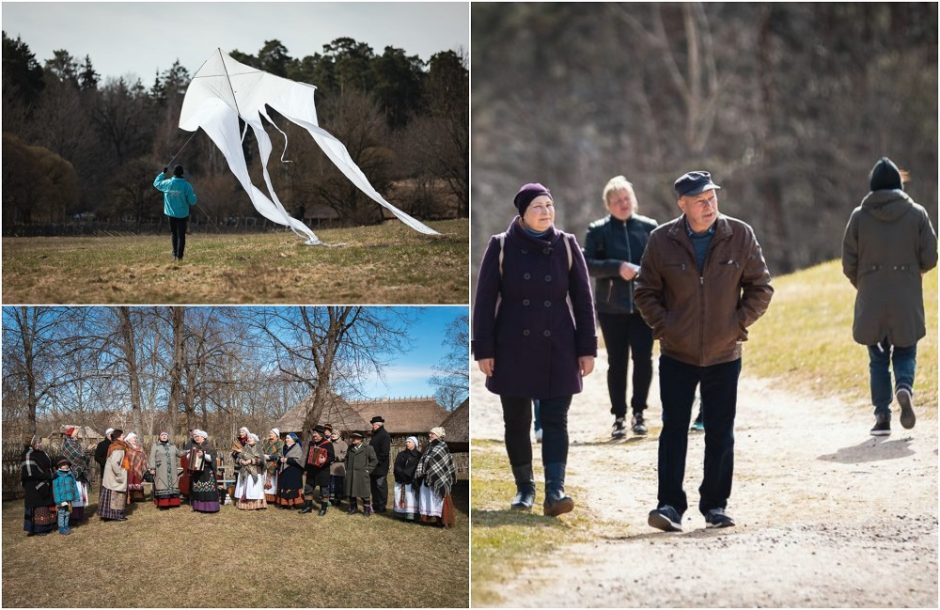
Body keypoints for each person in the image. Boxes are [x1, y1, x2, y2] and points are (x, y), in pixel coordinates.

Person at [636, 170, 773, 532]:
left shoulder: (739, 234)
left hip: (724, 355)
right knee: (674, 429)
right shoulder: (661, 240)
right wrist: (666, 327)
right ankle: (669, 506)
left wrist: (736, 325)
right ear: (682, 204)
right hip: (676, 354)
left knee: (720, 431)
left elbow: (761, 287)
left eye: (712, 197)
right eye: (700, 200)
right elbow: (644, 291)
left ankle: (715, 506)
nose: (709, 204)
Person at [472, 182, 597, 516]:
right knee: (516, 421)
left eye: (549, 205)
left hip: (559, 343)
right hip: (511, 343)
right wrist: (483, 349)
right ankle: (524, 489)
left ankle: (555, 491)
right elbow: (483, 303)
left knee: (556, 419)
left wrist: (588, 348)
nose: (546, 212)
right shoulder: (500, 246)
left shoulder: (567, 245)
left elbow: (583, 301)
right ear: (523, 214)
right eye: (538, 207)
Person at [842, 157, 938, 436]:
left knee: (878, 357)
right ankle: (904, 387)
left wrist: (863, 284)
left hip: (871, 298)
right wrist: (912, 273)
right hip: (905, 297)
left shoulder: (859, 216)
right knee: (906, 348)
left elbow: (848, 262)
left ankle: (882, 416)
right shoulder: (917, 213)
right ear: (898, 184)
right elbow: (931, 257)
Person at [583, 175, 658, 438]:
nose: (623, 204)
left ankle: (639, 413)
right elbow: (588, 264)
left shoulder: (650, 228)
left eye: (627, 199)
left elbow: (661, 264)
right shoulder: (598, 230)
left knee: (643, 360)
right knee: (617, 363)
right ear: (608, 205)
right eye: (617, 201)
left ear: (633, 200)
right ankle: (619, 417)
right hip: (611, 307)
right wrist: (617, 267)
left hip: (644, 306)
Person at [153, 165, 197, 261]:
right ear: (182, 173)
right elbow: (192, 201)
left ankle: (174, 254)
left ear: (173, 173)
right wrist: (194, 196)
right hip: (182, 214)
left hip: (171, 214)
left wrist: (162, 174)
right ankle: (180, 256)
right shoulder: (187, 185)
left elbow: (156, 183)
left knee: (174, 234)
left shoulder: (167, 183)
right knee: (182, 235)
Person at [415, 427, 457, 527]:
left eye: (432, 434)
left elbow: (440, 461)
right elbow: (425, 458)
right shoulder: (429, 446)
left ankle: (443, 521)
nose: (430, 435)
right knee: (427, 497)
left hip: (439, 477)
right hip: (428, 477)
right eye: (430, 433)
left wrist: (431, 468)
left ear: (438, 435)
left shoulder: (442, 446)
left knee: (439, 498)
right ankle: (427, 518)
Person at [21, 436, 57, 535]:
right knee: (38, 506)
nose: (40, 444)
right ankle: (38, 528)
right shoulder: (28, 455)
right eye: (38, 442)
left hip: (46, 482)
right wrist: (48, 475)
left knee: (46, 504)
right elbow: (30, 473)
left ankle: (48, 526)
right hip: (33, 486)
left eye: (40, 442)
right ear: (33, 444)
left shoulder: (43, 453)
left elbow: (49, 463)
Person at [301, 426, 335, 516]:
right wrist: (305, 469)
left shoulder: (327, 444)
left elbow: (332, 457)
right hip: (312, 470)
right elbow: (308, 456)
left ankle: (323, 508)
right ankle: (308, 507)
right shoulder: (311, 443)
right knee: (308, 488)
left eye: (316, 433)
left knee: (324, 490)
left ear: (320, 435)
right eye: (314, 433)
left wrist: (325, 460)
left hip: (323, 471)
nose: (314, 435)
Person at [60, 426, 91, 523]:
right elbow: (77, 456)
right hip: (73, 471)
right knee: (75, 494)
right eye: (76, 433)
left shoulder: (75, 442)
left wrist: (86, 452)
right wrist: (87, 453)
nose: (78, 435)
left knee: (81, 494)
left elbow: (81, 454)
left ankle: (80, 515)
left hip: (80, 472)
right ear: (71, 433)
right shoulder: (68, 443)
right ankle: (74, 516)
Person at [99, 429, 129, 522]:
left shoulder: (114, 445)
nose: (124, 436)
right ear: (118, 437)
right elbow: (115, 463)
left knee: (110, 492)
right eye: (122, 435)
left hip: (110, 475)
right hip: (114, 475)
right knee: (116, 494)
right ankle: (116, 515)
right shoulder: (118, 447)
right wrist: (119, 475)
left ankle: (107, 514)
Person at [344, 432, 377, 516]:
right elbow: (346, 459)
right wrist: (347, 469)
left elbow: (374, 461)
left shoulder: (368, 448)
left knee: (364, 493)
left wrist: (368, 470)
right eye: (353, 438)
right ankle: (353, 508)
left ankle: (367, 509)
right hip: (351, 474)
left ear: (360, 439)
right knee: (351, 492)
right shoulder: (350, 448)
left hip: (362, 474)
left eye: (355, 438)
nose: (353, 439)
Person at [188, 430, 220, 513]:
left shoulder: (209, 447)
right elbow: (190, 458)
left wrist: (203, 455)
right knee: (198, 489)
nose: (197, 438)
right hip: (197, 472)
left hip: (207, 471)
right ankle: (198, 507)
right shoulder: (194, 446)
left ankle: (210, 508)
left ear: (204, 437)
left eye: (199, 436)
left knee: (208, 490)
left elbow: (212, 459)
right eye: (195, 437)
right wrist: (189, 455)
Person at [234, 433, 267, 510]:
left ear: (255, 440)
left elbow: (262, 461)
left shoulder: (258, 448)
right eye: (248, 438)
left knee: (253, 488)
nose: (249, 439)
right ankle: (243, 504)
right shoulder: (245, 448)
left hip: (254, 471)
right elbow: (237, 459)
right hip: (244, 471)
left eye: (251, 438)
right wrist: (241, 461)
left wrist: (252, 460)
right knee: (243, 487)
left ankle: (256, 505)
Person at [149, 431, 181, 509]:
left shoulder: (172, 445)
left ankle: (174, 503)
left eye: (165, 435)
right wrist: (152, 468)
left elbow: (179, 453)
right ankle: (164, 504)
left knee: (173, 484)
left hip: (172, 469)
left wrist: (188, 451)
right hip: (161, 469)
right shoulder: (155, 445)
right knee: (162, 484)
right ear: (159, 436)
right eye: (162, 435)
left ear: (168, 436)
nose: (164, 436)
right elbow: (152, 457)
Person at [392, 436, 422, 521]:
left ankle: (411, 515)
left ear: (414, 444)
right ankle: (400, 514)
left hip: (411, 480)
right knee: (399, 496)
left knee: (410, 498)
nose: (407, 443)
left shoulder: (418, 456)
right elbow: (396, 466)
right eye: (406, 442)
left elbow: (416, 468)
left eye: (409, 442)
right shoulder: (401, 454)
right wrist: (400, 474)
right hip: (400, 480)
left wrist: (407, 475)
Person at [275, 432, 305, 509]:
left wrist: (287, 460)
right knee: (284, 486)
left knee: (292, 487)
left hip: (294, 471)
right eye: (286, 438)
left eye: (288, 438)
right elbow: (280, 456)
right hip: (284, 470)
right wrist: (280, 459)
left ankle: (292, 504)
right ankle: (283, 503)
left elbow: (299, 460)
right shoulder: (284, 447)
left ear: (293, 440)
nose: (286, 439)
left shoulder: (297, 448)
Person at [368, 415, 391, 514]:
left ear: (377, 425)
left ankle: (381, 506)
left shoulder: (384, 435)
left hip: (380, 466)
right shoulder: (375, 435)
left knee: (380, 486)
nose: (372, 426)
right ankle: (375, 504)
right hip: (373, 466)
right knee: (374, 486)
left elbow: (384, 453)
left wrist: (376, 462)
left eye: (373, 425)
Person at [52, 458, 80, 535]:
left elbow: (74, 486)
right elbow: (55, 489)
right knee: (61, 513)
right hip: (61, 499)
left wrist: (76, 496)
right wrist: (58, 501)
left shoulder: (70, 475)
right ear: (59, 466)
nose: (65, 466)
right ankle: (61, 527)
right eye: (63, 464)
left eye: (66, 464)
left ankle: (66, 526)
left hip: (69, 498)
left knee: (68, 512)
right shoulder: (56, 475)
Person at [261, 428, 283, 505]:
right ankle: (265, 497)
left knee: (274, 482)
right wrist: (263, 455)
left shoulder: (280, 443)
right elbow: (262, 450)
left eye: (272, 433)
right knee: (263, 479)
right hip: (265, 463)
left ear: (276, 435)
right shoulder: (266, 442)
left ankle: (273, 498)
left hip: (274, 464)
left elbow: (280, 454)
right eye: (270, 433)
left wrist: (270, 457)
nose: (270, 434)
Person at [124, 432, 147, 504]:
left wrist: (144, 464)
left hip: (138, 467)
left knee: (137, 482)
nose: (135, 439)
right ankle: (128, 498)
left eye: (135, 438)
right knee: (129, 482)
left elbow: (144, 456)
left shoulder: (139, 447)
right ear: (129, 439)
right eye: (133, 438)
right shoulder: (126, 446)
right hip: (129, 468)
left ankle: (137, 498)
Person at [329, 430, 347, 507]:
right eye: (332, 434)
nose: (333, 435)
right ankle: (331, 499)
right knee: (331, 483)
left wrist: (335, 457)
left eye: (335, 434)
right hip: (330, 467)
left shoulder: (343, 444)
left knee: (338, 484)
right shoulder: (330, 443)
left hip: (338, 467)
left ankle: (338, 499)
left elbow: (344, 455)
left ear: (339, 435)